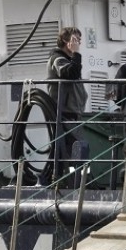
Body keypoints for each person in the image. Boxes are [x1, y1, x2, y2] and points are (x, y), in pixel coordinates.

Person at [46, 27, 89, 179]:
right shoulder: (58, 58)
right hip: (64, 113)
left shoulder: (68, 60)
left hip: (73, 113)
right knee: (77, 148)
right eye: (76, 40)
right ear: (66, 40)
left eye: (79, 40)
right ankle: (77, 180)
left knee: (72, 149)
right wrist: (76, 53)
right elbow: (70, 74)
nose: (79, 43)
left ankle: (75, 179)